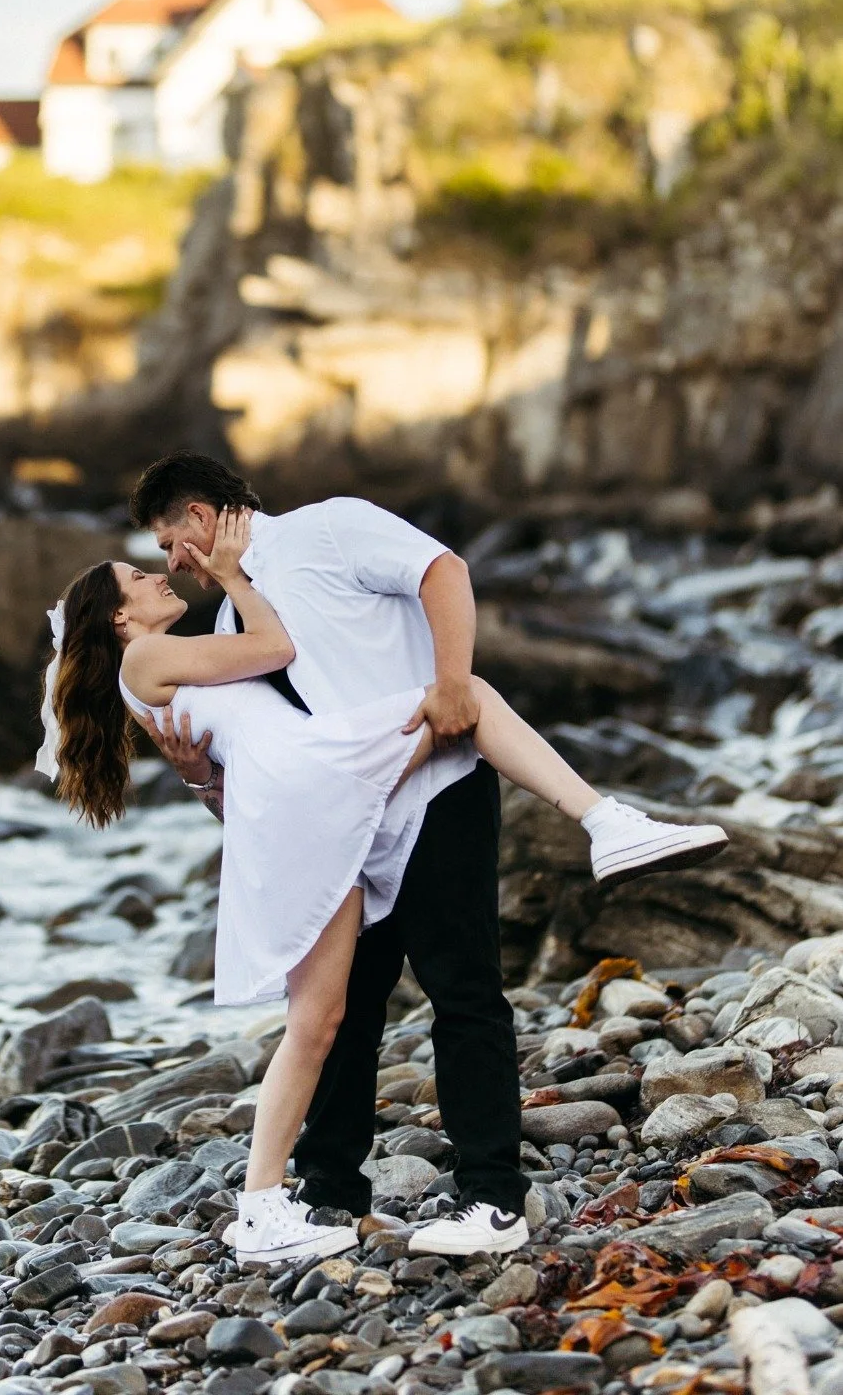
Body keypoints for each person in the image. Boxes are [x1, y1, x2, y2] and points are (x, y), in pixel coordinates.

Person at [38, 455, 726, 1268]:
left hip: (415, 796)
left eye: (166, 542)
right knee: (341, 1017)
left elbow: (443, 570)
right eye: (149, 560)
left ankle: (489, 1197)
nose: (169, 563)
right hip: (335, 806)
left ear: (199, 514)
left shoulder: (328, 526)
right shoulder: (218, 628)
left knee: (453, 987)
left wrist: (446, 681)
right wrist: (197, 777)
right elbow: (251, 762)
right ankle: (319, 1195)